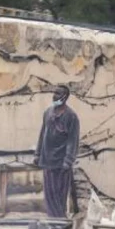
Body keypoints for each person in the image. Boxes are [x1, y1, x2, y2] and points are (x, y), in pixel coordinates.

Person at [34, 85, 80, 218]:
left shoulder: (71, 116)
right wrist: (37, 154)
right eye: (54, 92)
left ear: (65, 97)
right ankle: (52, 221)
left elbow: (73, 140)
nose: (55, 95)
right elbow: (42, 134)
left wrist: (68, 160)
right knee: (50, 195)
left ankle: (60, 222)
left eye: (58, 93)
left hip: (61, 163)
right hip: (47, 160)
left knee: (60, 195)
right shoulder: (47, 113)